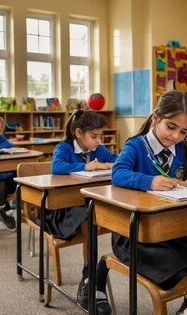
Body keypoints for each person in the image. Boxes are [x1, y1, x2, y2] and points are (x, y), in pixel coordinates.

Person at [110, 90, 187, 314]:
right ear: (155, 117)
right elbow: (118, 173)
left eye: (184, 131)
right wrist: (149, 181)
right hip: (137, 233)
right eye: (171, 127)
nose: (176, 136)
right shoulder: (136, 145)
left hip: (173, 228)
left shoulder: (183, 149)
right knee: (184, 262)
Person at [50, 109, 118, 314]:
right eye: (94, 136)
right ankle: (89, 274)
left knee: (94, 215)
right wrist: (86, 166)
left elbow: (119, 160)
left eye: (100, 136)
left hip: (88, 205)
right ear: (78, 133)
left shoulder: (99, 150)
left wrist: (106, 163)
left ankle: (91, 275)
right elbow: (57, 167)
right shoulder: (64, 148)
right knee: (89, 217)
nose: (99, 141)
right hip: (62, 210)